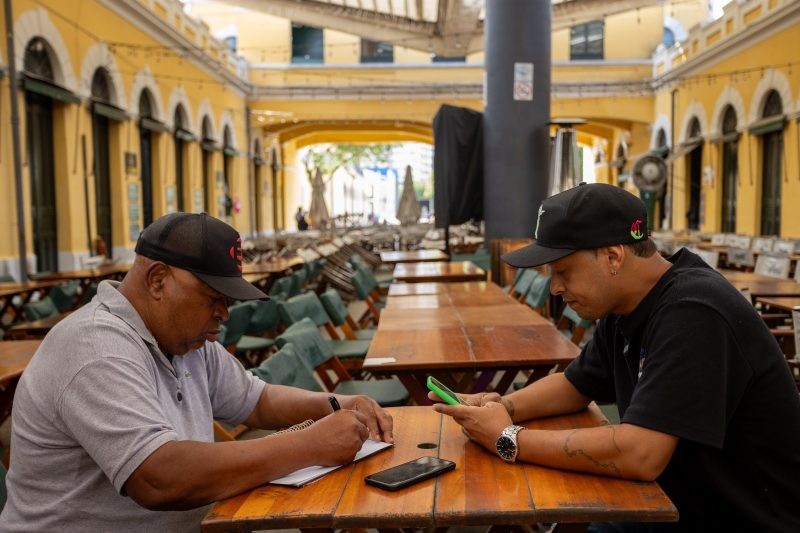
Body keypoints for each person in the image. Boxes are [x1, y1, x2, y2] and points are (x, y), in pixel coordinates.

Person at [431, 183, 800, 532]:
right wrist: (501, 407)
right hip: (666, 501)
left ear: (612, 257)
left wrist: (507, 438)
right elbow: (575, 385)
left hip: (735, 519)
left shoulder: (694, 311)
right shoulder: (626, 305)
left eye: (563, 271)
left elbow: (641, 454)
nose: (556, 288)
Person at [0, 212, 393, 532]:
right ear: (158, 280)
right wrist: (309, 445)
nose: (224, 313)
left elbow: (258, 401)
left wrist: (336, 403)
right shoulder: (96, 347)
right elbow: (158, 478)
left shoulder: (183, 338)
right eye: (213, 298)